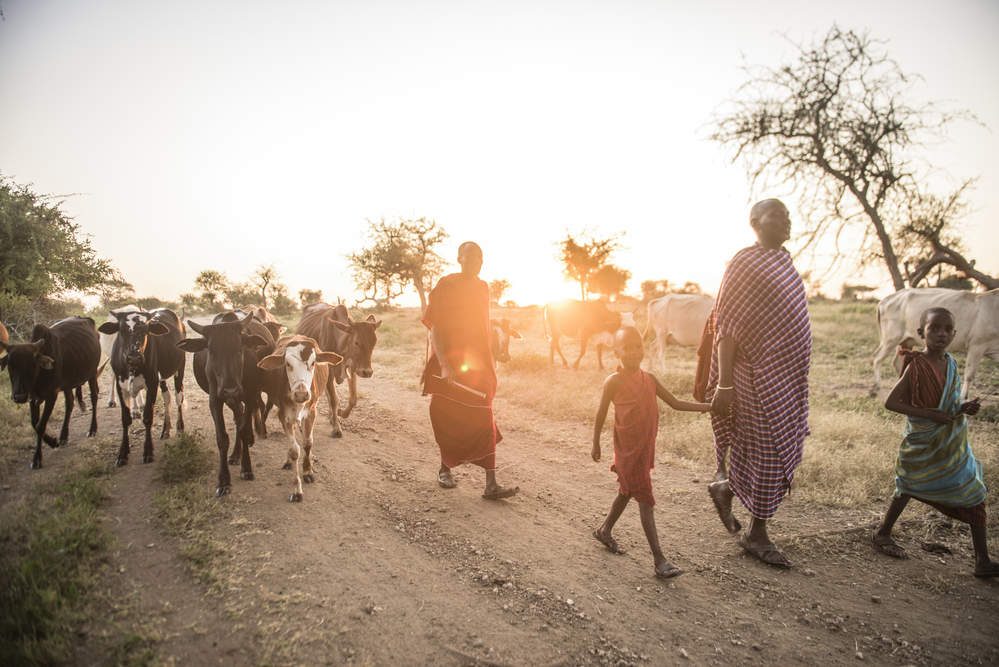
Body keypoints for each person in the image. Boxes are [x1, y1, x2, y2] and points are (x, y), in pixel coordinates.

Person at [705, 198, 811, 568]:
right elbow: (728, 326)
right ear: (755, 221)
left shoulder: (784, 262)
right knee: (767, 452)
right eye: (777, 215)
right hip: (751, 374)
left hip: (785, 379)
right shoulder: (744, 262)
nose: (786, 221)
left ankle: (726, 487)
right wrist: (725, 383)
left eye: (788, 215)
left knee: (777, 445)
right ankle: (756, 534)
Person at [872, 307, 998, 578]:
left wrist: (963, 407)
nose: (941, 334)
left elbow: (949, 404)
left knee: (975, 493)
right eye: (934, 328)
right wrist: (930, 415)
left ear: (954, 334)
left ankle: (982, 560)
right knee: (906, 485)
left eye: (947, 329)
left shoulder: (952, 363)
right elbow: (891, 402)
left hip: (951, 444)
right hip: (923, 442)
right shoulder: (916, 365)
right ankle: (883, 533)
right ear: (921, 333)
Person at [591, 326, 711, 579]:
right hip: (627, 449)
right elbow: (601, 414)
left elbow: (676, 403)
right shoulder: (612, 381)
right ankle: (659, 560)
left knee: (626, 492)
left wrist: (709, 407)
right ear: (616, 352)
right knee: (644, 499)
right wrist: (596, 443)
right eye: (627, 348)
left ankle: (604, 531)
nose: (634, 352)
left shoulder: (651, 379)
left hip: (644, 449)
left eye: (638, 347)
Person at [421, 241, 519, 500]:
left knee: (484, 415)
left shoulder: (483, 287)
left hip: (479, 365)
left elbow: (483, 327)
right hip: (450, 363)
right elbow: (436, 328)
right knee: (447, 415)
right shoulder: (447, 285)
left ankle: (491, 483)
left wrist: (492, 356)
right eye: (470, 256)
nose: (477, 261)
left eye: (480, 257)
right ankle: (445, 469)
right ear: (459, 258)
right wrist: (444, 364)